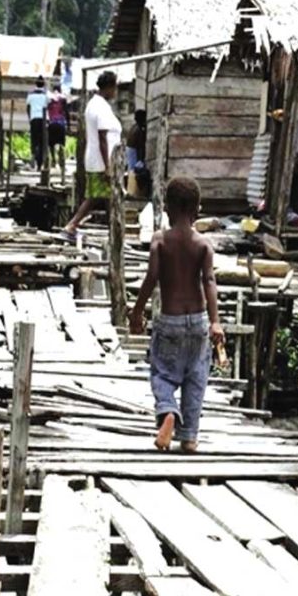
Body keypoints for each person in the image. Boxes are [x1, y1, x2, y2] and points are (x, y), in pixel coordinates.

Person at [128, 176, 225, 452]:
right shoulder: (203, 244)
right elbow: (209, 282)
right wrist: (215, 322)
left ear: (168, 208)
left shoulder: (160, 241)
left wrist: (137, 313)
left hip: (168, 320)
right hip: (198, 322)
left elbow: (151, 278)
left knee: (162, 373)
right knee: (196, 377)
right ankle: (190, 437)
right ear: (197, 210)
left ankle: (168, 412)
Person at [62, 72, 122, 237]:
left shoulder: (96, 104)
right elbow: (103, 138)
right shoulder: (100, 107)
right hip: (101, 160)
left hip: (99, 159)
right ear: (109, 87)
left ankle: (114, 230)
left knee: (107, 197)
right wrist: (107, 166)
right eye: (115, 88)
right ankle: (72, 224)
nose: (115, 92)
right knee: (96, 197)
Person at [25, 77, 49, 169]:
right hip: (43, 119)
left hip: (34, 119)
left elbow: (28, 108)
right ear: (43, 84)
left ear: (36, 84)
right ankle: (40, 163)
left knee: (34, 140)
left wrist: (30, 118)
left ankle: (33, 157)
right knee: (42, 141)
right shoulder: (45, 95)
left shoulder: (30, 95)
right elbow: (48, 106)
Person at [46, 85, 68, 172]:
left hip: (52, 124)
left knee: (51, 144)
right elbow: (66, 113)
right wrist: (68, 125)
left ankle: (54, 160)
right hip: (61, 124)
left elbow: (47, 112)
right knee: (61, 144)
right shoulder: (63, 100)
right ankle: (61, 160)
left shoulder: (50, 101)